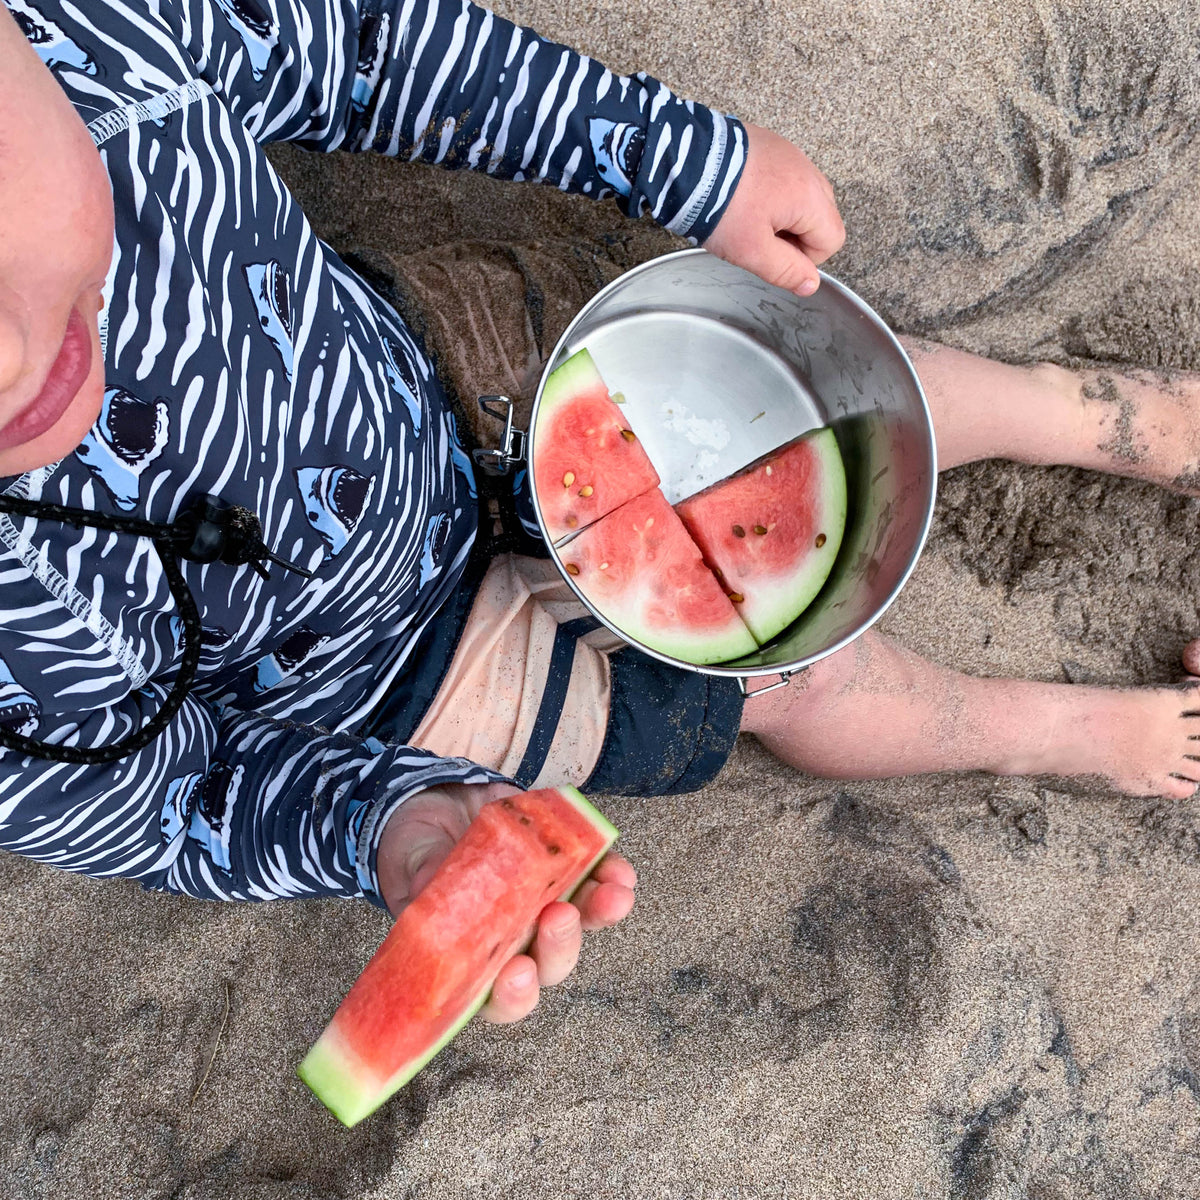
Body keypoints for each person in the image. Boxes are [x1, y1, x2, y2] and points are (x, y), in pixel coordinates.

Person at [0, 0, 1196, 1030]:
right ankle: (1036, 727)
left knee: (826, 396)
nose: (9, 360)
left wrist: (691, 165)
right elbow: (165, 796)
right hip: (396, 679)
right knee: (789, 671)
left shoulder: (96, 30)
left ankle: (1096, 418)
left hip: (431, 368)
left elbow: (367, 49)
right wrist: (392, 819)